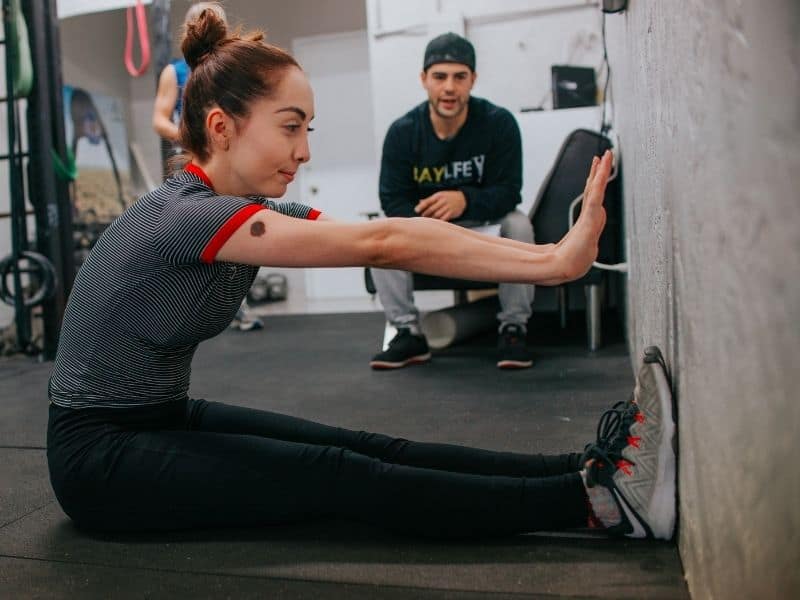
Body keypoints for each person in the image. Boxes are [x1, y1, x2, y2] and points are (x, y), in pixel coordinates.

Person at [47, 6, 676, 541]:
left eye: (307, 129)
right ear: (222, 127)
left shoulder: (253, 210)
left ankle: (590, 468)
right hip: (99, 457)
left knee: (365, 447)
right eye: (290, 127)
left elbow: (401, 239)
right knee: (337, 474)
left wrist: (552, 258)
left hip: (159, 416)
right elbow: (385, 240)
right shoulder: (186, 217)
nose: (305, 151)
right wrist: (554, 263)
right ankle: (600, 506)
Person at [369, 32, 535, 371]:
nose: (449, 87)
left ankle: (513, 328)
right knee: (376, 229)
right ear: (424, 80)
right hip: (426, 227)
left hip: (480, 223)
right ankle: (407, 332)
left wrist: (464, 200)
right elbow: (392, 198)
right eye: (440, 77)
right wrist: (428, 226)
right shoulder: (403, 132)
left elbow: (509, 191)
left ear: (472, 79)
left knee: (519, 224)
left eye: (460, 77)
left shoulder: (498, 123)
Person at [152, 1, 262, 331]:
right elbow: (159, 118)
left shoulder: (233, 69)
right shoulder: (175, 72)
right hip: (192, 161)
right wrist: (191, 139)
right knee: (189, 230)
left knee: (236, 225)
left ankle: (234, 306)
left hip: (229, 159)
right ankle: (184, 307)